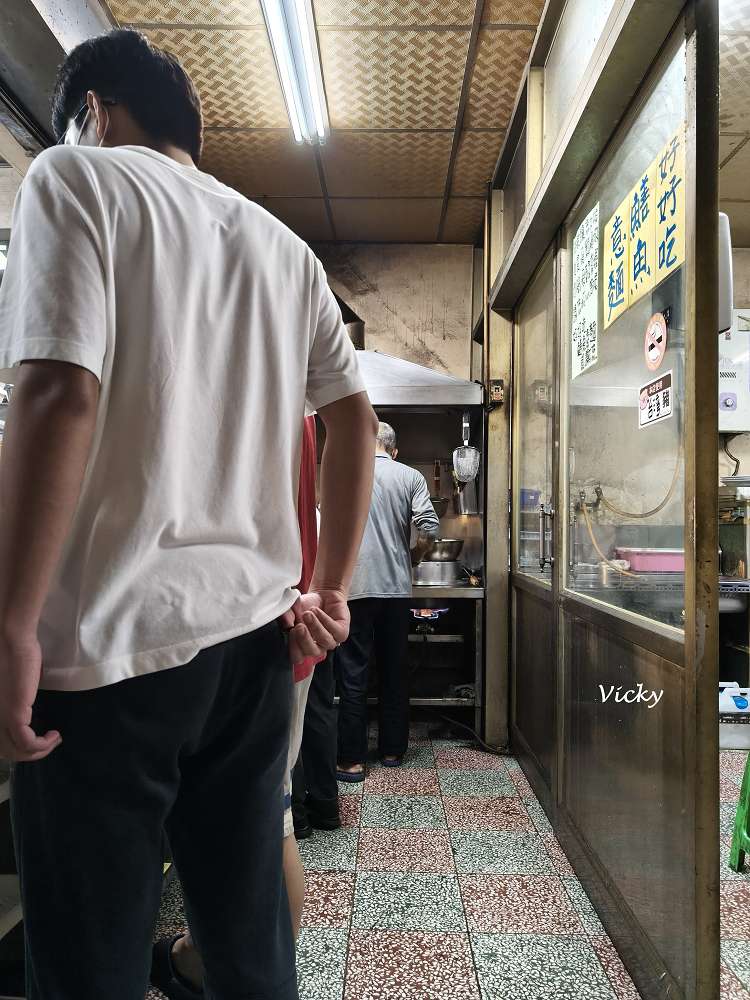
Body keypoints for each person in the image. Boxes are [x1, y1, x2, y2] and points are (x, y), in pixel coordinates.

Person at [0, 29, 377, 1000]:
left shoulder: (73, 179)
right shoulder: (284, 248)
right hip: (251, 650)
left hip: (107, 654)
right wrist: (332, 588)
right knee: (249, 945)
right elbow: (354, 417)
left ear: (92, 113)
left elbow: (57, 394)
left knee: (89, 965)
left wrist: (10, 621)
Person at [151, 416, 322, 998]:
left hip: (250, 634)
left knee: (268, 823)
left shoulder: (265, 401)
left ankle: (222, 966)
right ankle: (222, 962)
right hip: (278, 631)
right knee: (264, 817)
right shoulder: (296, 407)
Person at [336, 422, 439, 781]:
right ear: (394, 451)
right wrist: (413, 557)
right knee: (394, 668)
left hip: (355, 587)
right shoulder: (410, 476)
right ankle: (392, 751)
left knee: (353, 671)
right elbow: (429, 527)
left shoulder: (347, 472)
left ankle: (351, 760)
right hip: (395, 590)